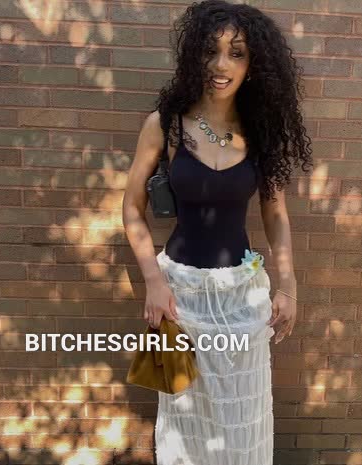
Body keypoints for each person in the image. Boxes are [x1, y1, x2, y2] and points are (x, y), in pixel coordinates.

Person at [122, 1, 313, 463]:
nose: (221, 65)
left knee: (242, 421)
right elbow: (131, 207)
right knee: (185, 421)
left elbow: (275, 214)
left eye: (236, 53)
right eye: (211, 51)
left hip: (242, 299)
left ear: (253, 64)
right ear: (195, 56)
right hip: (180, 297)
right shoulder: (165, 126)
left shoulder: (261, 133)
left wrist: (288, 286)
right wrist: (153, 281)